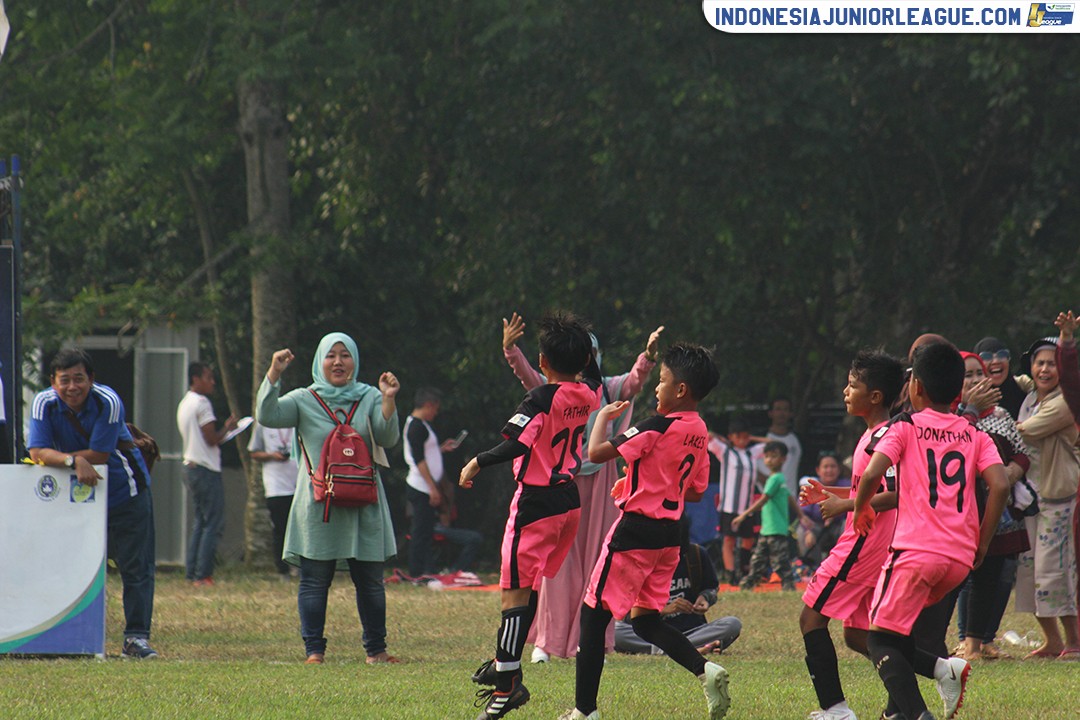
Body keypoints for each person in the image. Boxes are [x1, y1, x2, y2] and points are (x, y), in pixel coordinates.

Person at [563, 342, 729, 720]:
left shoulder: (657, 424)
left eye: (663, 380)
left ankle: (584, 711)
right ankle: (705, 670)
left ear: (681, 390)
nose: (657, 387)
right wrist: (648, 477)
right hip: (671, 536)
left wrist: (603, 417)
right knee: (645, 620)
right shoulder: (699, 430)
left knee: (592, 616)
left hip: (635, 531)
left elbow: (596, 453)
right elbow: (697, 489)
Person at [853, 342, 1010, 720]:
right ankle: (910, 700)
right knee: (899, 635)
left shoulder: (905, 426)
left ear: (916, 387)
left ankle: (918, 713)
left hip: (915, 552)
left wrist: (860, 509)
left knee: (876, 639)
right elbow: (1001, 485)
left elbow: (873, 474)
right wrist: (983, 542)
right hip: (958, 559)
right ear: (958, 391)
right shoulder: (973, 433)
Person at [501, 312, 663, 661]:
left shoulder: (605, 388)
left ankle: (589, 640)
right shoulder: (553, 392)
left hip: (601, 483)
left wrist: (648, 357)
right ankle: (548, 641)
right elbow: (530, 377)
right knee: (556, 565)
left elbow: (634, 382)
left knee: (597, 561)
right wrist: (512, 351)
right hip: (562, 482)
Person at [462, 312, 599, 719]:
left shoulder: (539, 400)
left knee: (513, 595)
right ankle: (504, 664)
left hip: (535, 505)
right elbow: (592, 375)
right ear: (585, 359)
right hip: (568, 502)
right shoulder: (589, 394)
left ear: (542, 361)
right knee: (530, 586)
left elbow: (518, 444)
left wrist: (476, 461)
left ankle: (507, 685)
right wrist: (584, 352)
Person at [256, 332, 401, 665]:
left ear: (355, 361)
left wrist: (389, 399)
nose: (338, 362)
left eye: (345, 355)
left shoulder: (370, 395)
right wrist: (274, 373)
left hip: (364, 502)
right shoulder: (303, 399)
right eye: (331, 355)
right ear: (319, 361)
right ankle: (314, 652)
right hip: (320, 504)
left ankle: (376, 651)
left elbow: (387, 436)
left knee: (370, 582)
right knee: (314, 580)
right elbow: (268, 415)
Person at [28, 348, 158, 659]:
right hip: (75, 498)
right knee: (68, 564)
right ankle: (64, 636)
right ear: (53, 382)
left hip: (125, 492)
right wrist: (72, 461)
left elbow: (99, 455)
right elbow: (35, 452)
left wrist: (56, 458)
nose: (72, 387)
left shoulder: (108, 401)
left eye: (79, 379)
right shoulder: (43, 403)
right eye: (65, 380)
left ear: (91, 379)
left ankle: (135, 638)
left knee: (135, 567)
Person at [798, 349, 906, 720]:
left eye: (852, 385)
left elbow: (896, 493)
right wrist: (832, 495)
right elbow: (865, 489)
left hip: (864, 542)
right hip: (873, 543)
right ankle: (913, 695)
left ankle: (835, 710)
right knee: (858, 636)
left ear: (875, 396)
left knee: (811, 619)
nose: (845, 392)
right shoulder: (870, 435)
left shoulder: (885, 437)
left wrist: (844, 506)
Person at [950, 352, 1031, 662]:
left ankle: (980, 641)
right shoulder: (951, 417)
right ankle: (961, 639)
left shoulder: (1000, 415)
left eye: (978, 373)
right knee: (963, 576)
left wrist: (1012, 471)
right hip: (962, 510)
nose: (974, 380)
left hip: (998, 510)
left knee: (993, 574)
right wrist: (970, 410)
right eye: (966, 375)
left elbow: (1021, 452)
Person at [1015, 335, 1080, 660]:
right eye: (1039, 363)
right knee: (1030, 571)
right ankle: (1052, 641)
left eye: (1052, 364)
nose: (1044, 369)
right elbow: (1020, 382)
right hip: (1031, 500)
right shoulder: (1032, 396)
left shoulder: (1064, 402)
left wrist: (995, 423)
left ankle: (1074, 640)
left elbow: (1026, 430)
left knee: (1056, 571)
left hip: (1059, 500)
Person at [614, 525, 742, 657]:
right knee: (614, 631)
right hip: (655, 634)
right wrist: (664, 610)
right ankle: (689, 649)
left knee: (732, 624)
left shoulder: (696, 554)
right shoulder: (641, 562)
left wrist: (705, 598)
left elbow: (711, 588)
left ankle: (671, 649)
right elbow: (628, 616)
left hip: (694, 631)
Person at [176, 361, 238, 586]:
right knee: (213, 523)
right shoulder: (203, 403)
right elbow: (211, 439)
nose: (212, 382)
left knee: (200, 522)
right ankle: (203, 575)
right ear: (195, 379)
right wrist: (228, 429)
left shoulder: (185, 402)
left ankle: (192, 573)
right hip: (206, 468)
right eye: (208, 377)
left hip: (190, 465)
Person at [403, 386, 462, 579]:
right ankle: (416, 572)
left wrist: (440, 449)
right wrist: (432, 487)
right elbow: (419, 459)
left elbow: (426, 452)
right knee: (420, 531)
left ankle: (427, 569)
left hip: (425, 486)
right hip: (420, 486)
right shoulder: (416, 427)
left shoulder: (422, 425)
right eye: (435, 408)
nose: (435, 413)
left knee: (426, 531)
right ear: (428, 405)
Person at [734, 441, 806, 592]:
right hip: (768, 528)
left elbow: (763, 499)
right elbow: (790, 497)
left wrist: (743, 516)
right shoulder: (780, 478)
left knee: (779, 561)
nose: (769, 460)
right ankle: (749, 583)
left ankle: (788, 585)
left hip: (776, 528)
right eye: (766, 456)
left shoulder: (775, 479)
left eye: (774, 456)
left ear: (783, 459)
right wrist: (801, 515)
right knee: (758, 559)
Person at [709, 417, 760, 586]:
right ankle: (730, 574)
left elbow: (774, 444)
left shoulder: (752, 453)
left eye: (746, 436)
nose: (743, 440)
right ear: (731, 436)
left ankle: (744, 570)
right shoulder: (725, 451)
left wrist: (752, 438)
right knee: (729, 540)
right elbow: (707, 436)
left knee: (748, 540)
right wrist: (723, 438)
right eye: (739, 436)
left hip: (747, 508)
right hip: (729, 506)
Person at [247, 420, 299, 578]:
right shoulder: (263, 423)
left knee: (301, 529)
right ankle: (283, 569)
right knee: (280, 529)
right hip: (276, 486)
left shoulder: (298, 421)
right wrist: (271, 455)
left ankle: (300, 566)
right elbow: (254, 453)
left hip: (299, 484)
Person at [796, 451, 850, 569]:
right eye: (825, 467)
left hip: (839, 527)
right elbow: (803, 514)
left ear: (839, 469)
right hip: (817, 526)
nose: (829, 470)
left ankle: (845, 566)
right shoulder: (810, 487)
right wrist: (807, 531)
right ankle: (812, 567)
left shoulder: (847, 485)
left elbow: (854, 505)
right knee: (801, 532)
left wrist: (835, 513)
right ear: (818, 470)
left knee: (849, 524)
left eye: (833, 466)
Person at [754, 396, 803, 498]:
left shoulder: (798, 439)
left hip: (790, 498)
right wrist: (767, 481)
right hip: (764, 497)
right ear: (770, 413)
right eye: (778, 409)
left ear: (791, 414)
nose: (781, 413)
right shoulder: (760, 438)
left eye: (785, 409)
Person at [972, 336, 1029, 420]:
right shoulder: (971, 402)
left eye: (1002, 355)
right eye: (986, 357)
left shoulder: (1027, 391)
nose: (996, 361)